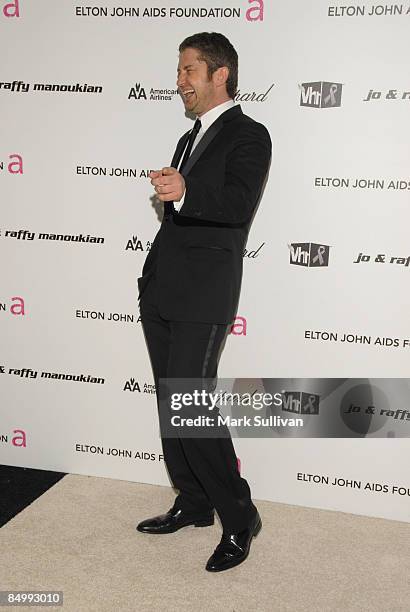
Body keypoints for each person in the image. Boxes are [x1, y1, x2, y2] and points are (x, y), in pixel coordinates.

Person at [136, 32, 271, 572]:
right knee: (173, 401)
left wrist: (186, 192)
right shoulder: (188, 137)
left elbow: (238, 204)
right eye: (179, 70)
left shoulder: (250, 134)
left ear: (220, 74)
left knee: (192, 404)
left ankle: (239, 517)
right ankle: (193, 503)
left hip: (205, 293)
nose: (180, 81)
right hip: (163, 288)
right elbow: (181, 218)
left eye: (189, 70)